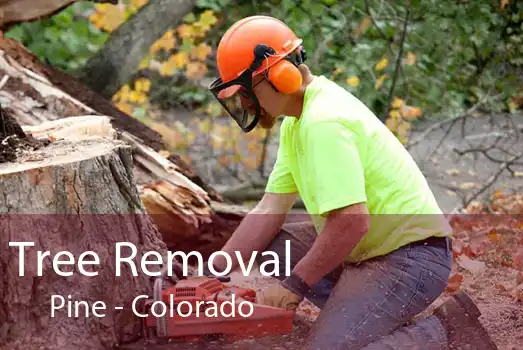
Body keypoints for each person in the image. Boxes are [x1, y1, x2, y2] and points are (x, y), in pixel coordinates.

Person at [205, 15, 497, 350]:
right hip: (372, 248)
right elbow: (270, 208)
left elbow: (351, 221)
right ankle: (363, 318)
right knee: (277, 246)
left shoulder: (323, 121)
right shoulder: (296, 121)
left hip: (411, 258)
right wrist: (213, 273)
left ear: (279, 76)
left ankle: (446, 330)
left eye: (246, 91)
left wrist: (294, 286)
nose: (243, 102)